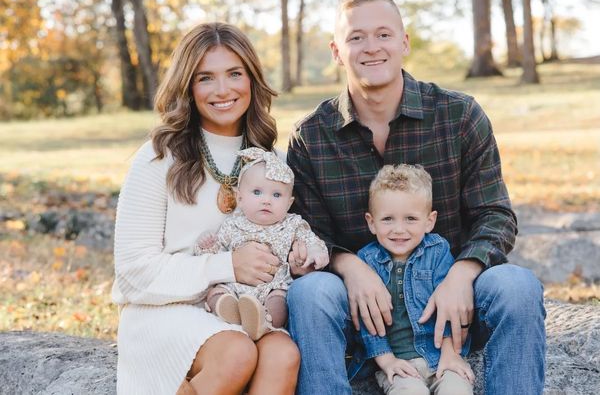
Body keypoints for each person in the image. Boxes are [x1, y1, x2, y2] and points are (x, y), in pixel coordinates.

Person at [286, 0, 546, 395]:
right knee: (309, 291)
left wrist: (463, 273)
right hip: (363, 314)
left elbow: (495, 215)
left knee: (518, 286)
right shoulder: (312, 136)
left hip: (452, 304)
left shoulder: (458, 116)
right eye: (356, 37)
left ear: (404, 43)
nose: (372, 48)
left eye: (384, 34)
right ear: (337, 51)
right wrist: (349, 266)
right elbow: (306, 229)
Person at [112, 22, 302, 395]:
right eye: (205, 78)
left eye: (234, 74)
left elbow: (289, 235)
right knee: (235, 353)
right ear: (187, 87)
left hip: (248, 308)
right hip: (164, 310)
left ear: (252, 80)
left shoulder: (274, 164)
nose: (222, 90)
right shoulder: (158, 158)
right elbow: (133, 273)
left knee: (282, 355)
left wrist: (299, 254)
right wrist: (226, 265)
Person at [356, 164, 474, 395]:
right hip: (398, 363)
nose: (399, 229)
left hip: (441, 356)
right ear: (371, 222)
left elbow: (450, 308)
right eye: (388, 219)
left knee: (457, 390)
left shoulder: (438, 251)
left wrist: (451, 354)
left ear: (429, 221)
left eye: (410, 218)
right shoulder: (367, 261)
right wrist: (387, 362)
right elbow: (366, 321)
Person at [195, 147, 329, 341]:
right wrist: (208, 246)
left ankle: (264, 323)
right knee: (216, 292)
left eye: (276, 195)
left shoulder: (292, 224)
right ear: (239, 198)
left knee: (280, 301)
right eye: (257, 192)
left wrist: (316, 251)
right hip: (234, 286)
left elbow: (310, 240)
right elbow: (218, 254)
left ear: (289, 203)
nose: (266, 200)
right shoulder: (233, 224)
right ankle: (228, 310)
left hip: (272, 287)